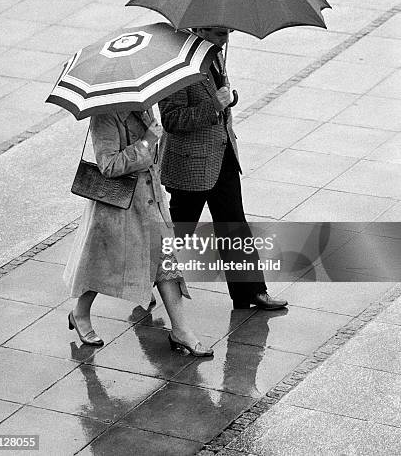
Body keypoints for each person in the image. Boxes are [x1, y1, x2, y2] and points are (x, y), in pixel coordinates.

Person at [64, 109, 213, 357]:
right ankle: (80, 313)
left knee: (167, 264)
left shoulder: (143, 105)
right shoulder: (105, 116)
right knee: (102, 267)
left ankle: (181, 330)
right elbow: (108, 165)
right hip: (119, 208)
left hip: (150, 202)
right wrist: (146, 141)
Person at [159, 27, 287, 310]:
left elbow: (218, 100)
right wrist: (214, 106)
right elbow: (171, 119)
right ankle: (145, 281)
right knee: (179, 232)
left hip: (223, 154)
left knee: (235, 226)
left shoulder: (215, 55)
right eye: (218, 33)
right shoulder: (179, 63)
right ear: (199, 28)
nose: (225, 39)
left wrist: (229, 100)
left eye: (227, 32)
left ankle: (251, 292)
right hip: (191, 165)